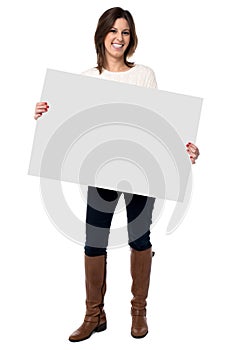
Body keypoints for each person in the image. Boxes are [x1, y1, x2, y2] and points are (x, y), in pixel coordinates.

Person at [33, 7, 200, 342]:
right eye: (113, 31)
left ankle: (139, 312)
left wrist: (186, 148)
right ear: (102, 35)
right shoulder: (85, 77)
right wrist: (44, 117)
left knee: (140, 239)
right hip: (100, 170)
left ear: (131, 37)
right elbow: (68, 126)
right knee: (94, 242)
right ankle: (94, 315)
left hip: (141, 170)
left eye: (125, 32)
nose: (119, 38)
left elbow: (161, 123)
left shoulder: (145, 75)